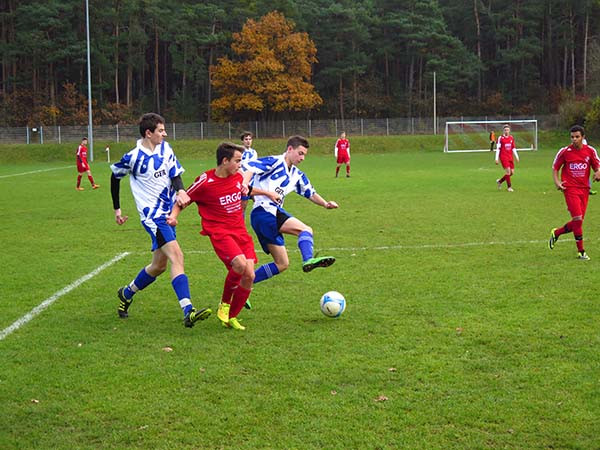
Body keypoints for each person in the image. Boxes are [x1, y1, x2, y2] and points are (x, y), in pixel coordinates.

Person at [110, 112, 211, 328]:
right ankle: (188, 310)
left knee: (159, 265)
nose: (165, 134)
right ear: (149, 133)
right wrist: (117, 209)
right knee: (177, 256)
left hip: (167, 213)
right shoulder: (133, 157)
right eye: (161, 131)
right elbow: (114, 176)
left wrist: (181, 191)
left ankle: (126, 293)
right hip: (152, 217)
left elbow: (174, 174)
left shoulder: (166, 149)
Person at [167, 143, 279, 330]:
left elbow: (246, 190)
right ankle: (224, 305)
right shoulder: (205, 181)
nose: (240, 165)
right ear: (225, 161)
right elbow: (184, 199)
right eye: (237, 161)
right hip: (219, 231)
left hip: (240, 231)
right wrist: (173, 216)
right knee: (240, 265)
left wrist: (267, 193)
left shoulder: (237, 177)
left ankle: (231, 318)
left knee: (250, 275)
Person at [243, 135, 338, 284]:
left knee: (282, 264)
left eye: (304, 155)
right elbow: (249, 167)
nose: (302, 158)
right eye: (300, 153)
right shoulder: (275, 161)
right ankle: (308, 260)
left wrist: (325, 204)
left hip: (265, 216)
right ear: (289, 149)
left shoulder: (296, 175)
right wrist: (244, 183)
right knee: (305, 230)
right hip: (265, 211)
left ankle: (243, 285)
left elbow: (310, 193)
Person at [548, 125, 600, 260]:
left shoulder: (590, 151)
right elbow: (555, 168)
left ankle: (557, 232)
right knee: (577, 219)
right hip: (570, 188)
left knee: (579, 222)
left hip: (584, 190)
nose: (574, 139)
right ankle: (581, 251)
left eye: (577, 137)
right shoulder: (565, 152)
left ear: (583, 137)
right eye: (572, 137)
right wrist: (557, 182)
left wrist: (598, 173)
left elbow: (597, 166)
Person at [495, 124, 519, 192]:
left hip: (510, 157)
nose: (506, 131)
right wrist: (496, 158)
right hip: (503, 157)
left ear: (509, 130)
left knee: (512, 173)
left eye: (508, 130)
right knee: (508, 171)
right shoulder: (500, 138)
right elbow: (498, 149)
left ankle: (500, 181)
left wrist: (517, 156)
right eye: (505, 130)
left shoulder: (511, 138)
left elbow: (513, 148)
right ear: (503, 131)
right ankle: (509, 187)